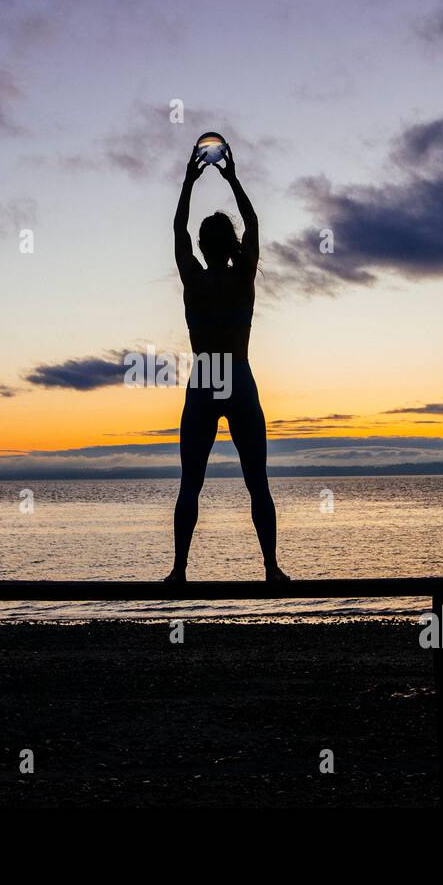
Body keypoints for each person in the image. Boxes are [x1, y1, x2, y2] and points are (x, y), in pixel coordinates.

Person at [164, 142, 290, 583]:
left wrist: (189, 181)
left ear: (202, 245)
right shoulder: (243, 276)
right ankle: (271, 569)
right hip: (236, 372)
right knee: (257, 482)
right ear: (229, 243)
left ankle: (179, 570)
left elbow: (177, 228)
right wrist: (233, 178)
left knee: (190, 484)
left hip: (207, 375)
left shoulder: (194, 278)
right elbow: (253, 223)